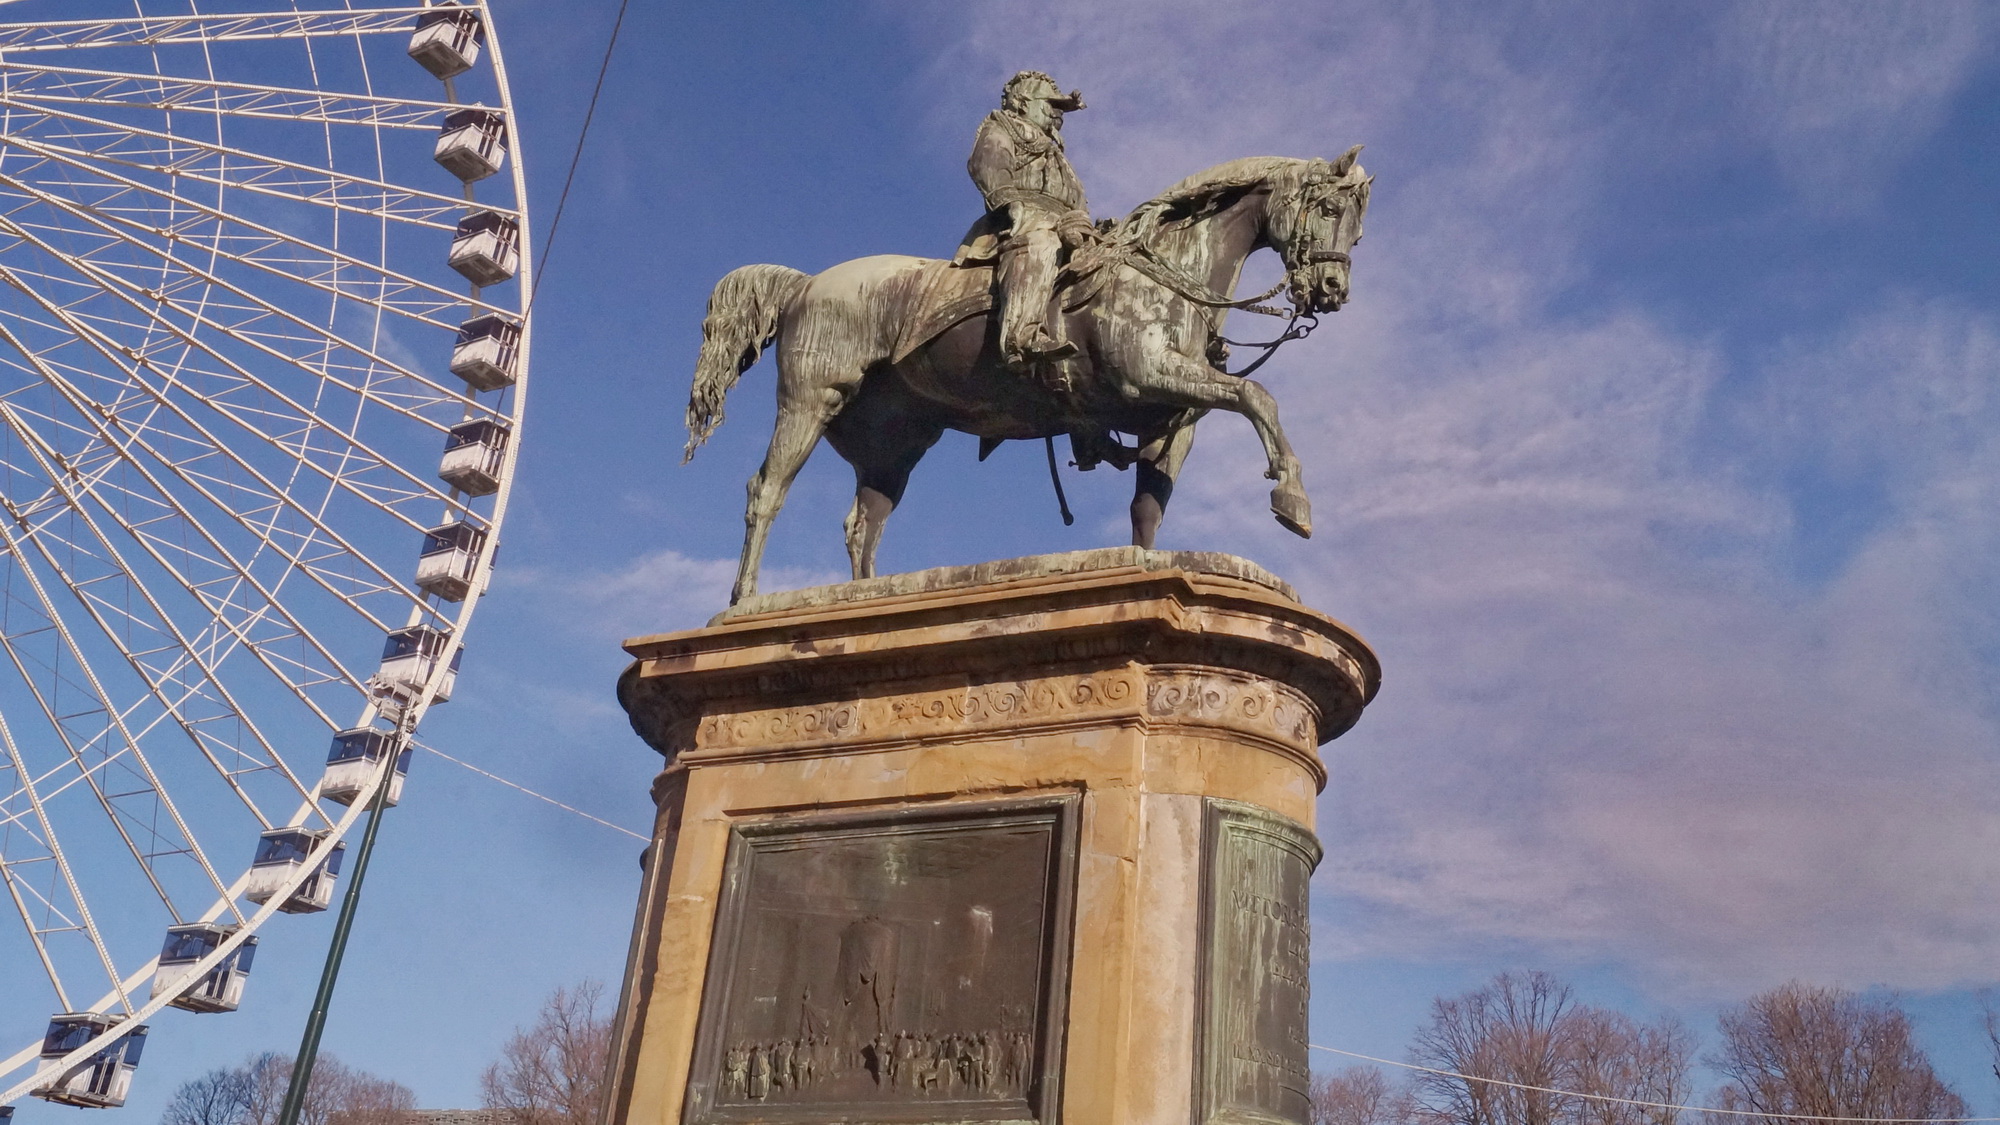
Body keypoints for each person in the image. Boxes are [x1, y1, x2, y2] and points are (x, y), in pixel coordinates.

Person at [968, 70, 1093, 372]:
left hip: (1068, 222)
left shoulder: (1058, 155)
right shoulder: (1003, 128)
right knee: (1041, 243)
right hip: (1023, 220)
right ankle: (1021, 337)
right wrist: (1009, 201)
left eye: (1059, 109)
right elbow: (989, 163)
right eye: (1050, 106)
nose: (1056, 114)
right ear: (1023, 103)